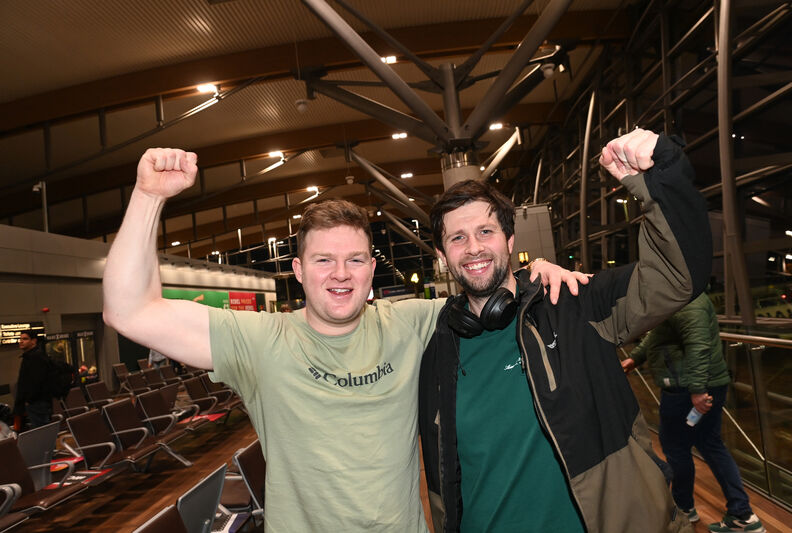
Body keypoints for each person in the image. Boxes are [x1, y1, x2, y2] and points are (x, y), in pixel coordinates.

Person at [102, 147, 586, 531]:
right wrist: (148, 196)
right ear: (297, 270)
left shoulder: (412, 322)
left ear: (372, 270)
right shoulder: (260, 340)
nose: (340, 274)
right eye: (323, 260)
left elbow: (488, 292)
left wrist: (533, 275)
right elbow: (128, 310)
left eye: (355, 259)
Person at [419, 128, 711, 533]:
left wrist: (657, 179)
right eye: (457, 238)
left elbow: (677, 277)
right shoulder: (435, 349)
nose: (473, 248)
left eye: (486, 232)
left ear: (509, 238)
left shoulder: (573, 303)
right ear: (441, 255)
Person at [622, 293, 764, 533]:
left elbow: (698, 346)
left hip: (687, 389)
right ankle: (741, 513)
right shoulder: (680, 298)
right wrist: (635, 358)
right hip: (692, 386)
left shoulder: (688, 302)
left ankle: (692, 508)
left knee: (677, 448)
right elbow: (659, 334)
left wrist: (697, 391)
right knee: (710, 445)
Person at [13, 330, 52, 429]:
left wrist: (29, 400)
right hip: (36, 403)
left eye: (25, 339)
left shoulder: (36, 357)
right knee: (41, 434)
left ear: (33, 341)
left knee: (42, 434)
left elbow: (37, 381)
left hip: (37, 404)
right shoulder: (29, 356)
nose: (21, 341)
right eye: (20, 339)